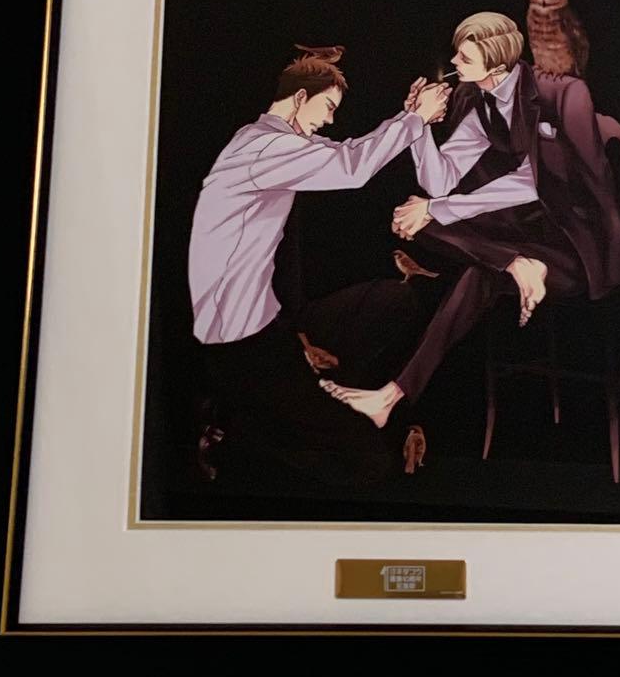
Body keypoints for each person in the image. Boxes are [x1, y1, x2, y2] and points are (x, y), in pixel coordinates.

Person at [321, 11, 620, 428]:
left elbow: (532, 183)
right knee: (436, 232)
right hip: (523, 239)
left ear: (496, 65)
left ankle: (390, 396)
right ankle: (390, 397)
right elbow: (440, 180)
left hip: (576, 246)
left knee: (445, 233)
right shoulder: (478, 99)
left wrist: (436, 209)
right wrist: (419, 126)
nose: (454, 63)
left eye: (464, 58)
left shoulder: (561, 93)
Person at [188, 45, 450, 483]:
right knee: (369, 463)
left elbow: (348, 150)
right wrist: (414, 120)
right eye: (327, 107)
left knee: (393, 301)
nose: (329, 120)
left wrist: (409, 120)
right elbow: (351, 168)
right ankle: (235, 433)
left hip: (271, 329)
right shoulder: (264, 149)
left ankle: (314, 399)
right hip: (242, 348)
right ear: (298, 98)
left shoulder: (272, 141)